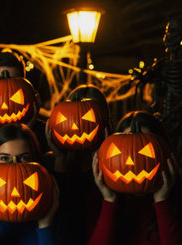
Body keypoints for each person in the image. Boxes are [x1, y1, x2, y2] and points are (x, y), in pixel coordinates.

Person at [88, 111, 182, 245]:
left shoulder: (178, 204)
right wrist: (109, 200)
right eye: (121, 151)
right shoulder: (99, 204)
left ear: (165, 154)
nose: (130, 163)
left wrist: (162, 201)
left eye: (144, 152)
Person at [44, 84, 112, 244]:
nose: (76, 126)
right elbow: (58, 213)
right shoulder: (48, 162)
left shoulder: (118, 165)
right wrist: (59, 159)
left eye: (88, 117)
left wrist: (100, 157)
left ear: (104, 122)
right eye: (71, 116)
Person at [0, 51, 47, 157]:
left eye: (13, 80)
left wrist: (27, 130)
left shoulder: (45, 132)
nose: (4, 105)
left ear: (27, 87)